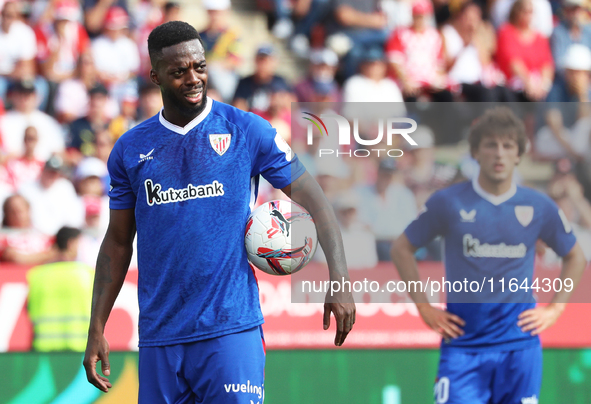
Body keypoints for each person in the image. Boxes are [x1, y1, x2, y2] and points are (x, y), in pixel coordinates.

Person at [83, 21, 355, 402]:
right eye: (179, 71)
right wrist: (97, 325)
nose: (193, 78)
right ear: (155, 75)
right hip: (161, 336)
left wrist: (339, 277)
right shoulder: (130, 149)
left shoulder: (247, 130)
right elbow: (116, 242)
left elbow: (317, 201)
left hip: (230, 329)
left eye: (200, 66)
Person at [391, 107, 587, 404]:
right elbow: (401, 248)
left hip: (519, 348)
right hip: (463, 349)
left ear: (519, 154)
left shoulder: (538, 206)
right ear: (475, 151)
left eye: (508, 146)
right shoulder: (448, 202)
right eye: (491, 145)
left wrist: (555, 309)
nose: (499, 154)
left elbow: (576, 256)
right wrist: (424, 307)